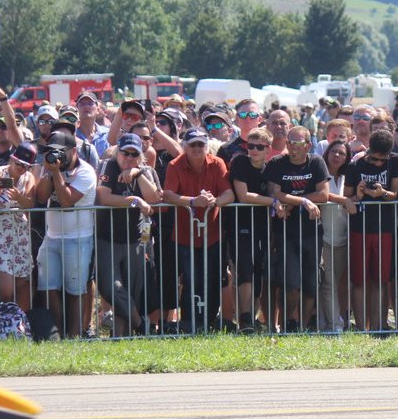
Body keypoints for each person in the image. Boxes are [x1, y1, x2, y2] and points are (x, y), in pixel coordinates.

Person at [163, 127, 234, 333]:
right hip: (185, 235)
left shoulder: (217, 163)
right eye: (192, 144)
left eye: (200, 144)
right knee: (191, 279)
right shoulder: (174, 165)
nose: (196, 148)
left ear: (206, 146)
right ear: (185, 146)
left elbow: (228, 194)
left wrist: (214, 201)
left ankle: (209, 320)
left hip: (213, 234)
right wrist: (193, 201)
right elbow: (168, 195)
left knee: (214, 278)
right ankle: (189, 323)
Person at [95, 133, 162, 336]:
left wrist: (138, 174)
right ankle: (141, 326)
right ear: (118, 152)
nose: (129, 157)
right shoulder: (108, 166)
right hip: (108, 239)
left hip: (136, 241)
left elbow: (154, 199)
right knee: (112, 288)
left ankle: (122, 337)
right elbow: (104, 198)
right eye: (125, 153)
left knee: (134, 291)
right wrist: (135, 201)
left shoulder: (145, 171)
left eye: (134, 154)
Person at [264, 126, 329, 332]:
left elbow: (323, 195)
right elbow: (275, 192)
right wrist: (303, 201)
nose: (292, 147)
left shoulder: (316, 162)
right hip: (286, 232)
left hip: (311, 231)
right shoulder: (277, 163)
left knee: (311, 285)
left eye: (298, 143)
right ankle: (287, 323)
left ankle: (301, 326)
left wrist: (298, 202)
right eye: (290, 142)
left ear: (308, 146)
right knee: (290, 284)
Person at [34, 131, 97, 338]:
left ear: (73, 151)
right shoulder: (52, 170)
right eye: (52, 151)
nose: (56, 156)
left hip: (78, 239)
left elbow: (67, 201)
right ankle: (57, 335)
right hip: (52, 237)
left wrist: (57, 173)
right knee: (48, 287)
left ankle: (75, 335)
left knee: (75, 291)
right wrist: (48, 171)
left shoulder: (86, 172)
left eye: (60, 152)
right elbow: (42, 197)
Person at [343, 128, 398, 331]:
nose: (378, 164)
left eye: (382, 160)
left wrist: (383, 193)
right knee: (359, 281)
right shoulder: (355, 166)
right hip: (359, 229)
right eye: (374, 160)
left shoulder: (395, 161)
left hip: (385, 229)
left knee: (381, 280)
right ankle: (360, 327)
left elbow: (397, 194)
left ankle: (378, 326)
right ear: (368, 151)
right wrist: (358, 196)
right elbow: (347, 198)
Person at [0, 142, 38, 314]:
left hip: (19, 236)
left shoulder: (29, 178)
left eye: (26, 166)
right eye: (18, 163)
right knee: (5, 290)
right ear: (11, 158)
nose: (21, 168)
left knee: (20, 285)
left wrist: (19, 196)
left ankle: (16, 328)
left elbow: (30, 205)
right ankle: (0, 326)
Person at [229, 126, 275, 332]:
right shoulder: (240, 162)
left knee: (260, 271)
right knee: (245, 270)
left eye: (259, 146)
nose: (253, 150)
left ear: (268, 148)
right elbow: (243, 195)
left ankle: (254, 316)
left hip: (264, 226)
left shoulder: (271, 168)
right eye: (251, 145)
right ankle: (245, 317)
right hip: (241, 224)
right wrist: (273, 201)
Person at [318, 139, 354, 333]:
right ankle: (334, 325)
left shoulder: (347, 178)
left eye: (342, 153)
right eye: (334, 151)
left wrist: (353, 198)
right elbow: (323, 195)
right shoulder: (320, 175)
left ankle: (333, 321)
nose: (337, 156)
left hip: (343, 237)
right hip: (325, 237)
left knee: (338, 283)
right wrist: (345, 200)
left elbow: (351, 201)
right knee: (328, 283)